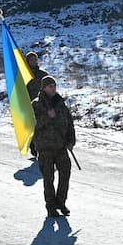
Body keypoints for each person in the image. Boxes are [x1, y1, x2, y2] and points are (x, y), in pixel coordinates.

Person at [33, 74, 77, 216]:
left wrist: (71, 140)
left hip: (60, 146)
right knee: (48, 178)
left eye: (54, 86)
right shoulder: (36, 104)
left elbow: (69, 123)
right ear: (44, 88)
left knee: (65, 173)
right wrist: (47, 117)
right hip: (45, 147)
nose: (53, 89)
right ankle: (51, 206)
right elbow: (32, 125)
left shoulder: (60, 103)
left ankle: (61, 202)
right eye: (50, 86)